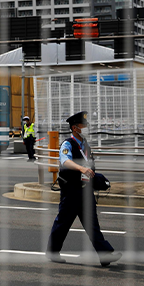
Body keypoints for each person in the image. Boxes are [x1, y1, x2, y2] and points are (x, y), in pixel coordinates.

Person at [46, 111, 121, 266]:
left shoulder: (85, 144)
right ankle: (52, 252)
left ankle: (105, 255)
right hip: (71, 191)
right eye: (83, 125)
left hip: (85, 190)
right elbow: (65, 161)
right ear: (75, 128)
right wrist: (81, 168)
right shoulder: (68, 144)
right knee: (63, 223)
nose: (86, 127)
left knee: (92, 224)